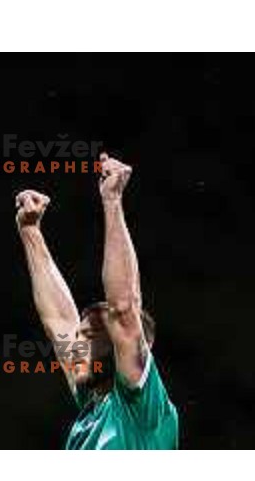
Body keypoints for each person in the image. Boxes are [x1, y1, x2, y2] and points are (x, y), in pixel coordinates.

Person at [16, 153, 178, 449]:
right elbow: (58, 322)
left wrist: (112, 201)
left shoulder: (139, 407)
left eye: (89, 336)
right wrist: (30, 232)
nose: (75, 344)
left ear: (121, 347)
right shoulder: (93, 403)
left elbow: (124, 309)